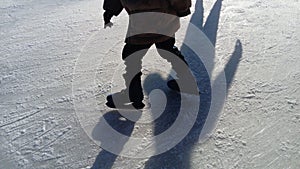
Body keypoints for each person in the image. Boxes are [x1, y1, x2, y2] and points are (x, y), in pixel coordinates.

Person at [103, 0, 197, 109]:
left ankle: (133, 94)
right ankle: (187, 81)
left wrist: (110, 10)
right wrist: (182, 8)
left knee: (132, 57)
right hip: (164, 20)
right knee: (167, 49)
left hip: (142, 24)